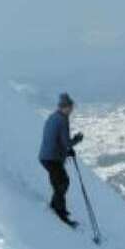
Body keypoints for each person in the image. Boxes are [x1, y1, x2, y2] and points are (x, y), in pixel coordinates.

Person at [38, 93, 85, 227]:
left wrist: (66, 149)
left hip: (46, 157)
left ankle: (57, 207)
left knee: (59, 182)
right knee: (63, 182)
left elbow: (57, 139)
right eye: (70, 107)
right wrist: (76, 140)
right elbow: (66, 142)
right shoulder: (63, 120)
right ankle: (60, 213)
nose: (72, 110)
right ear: (65, 107)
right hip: (52, 158)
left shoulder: (53, 117)